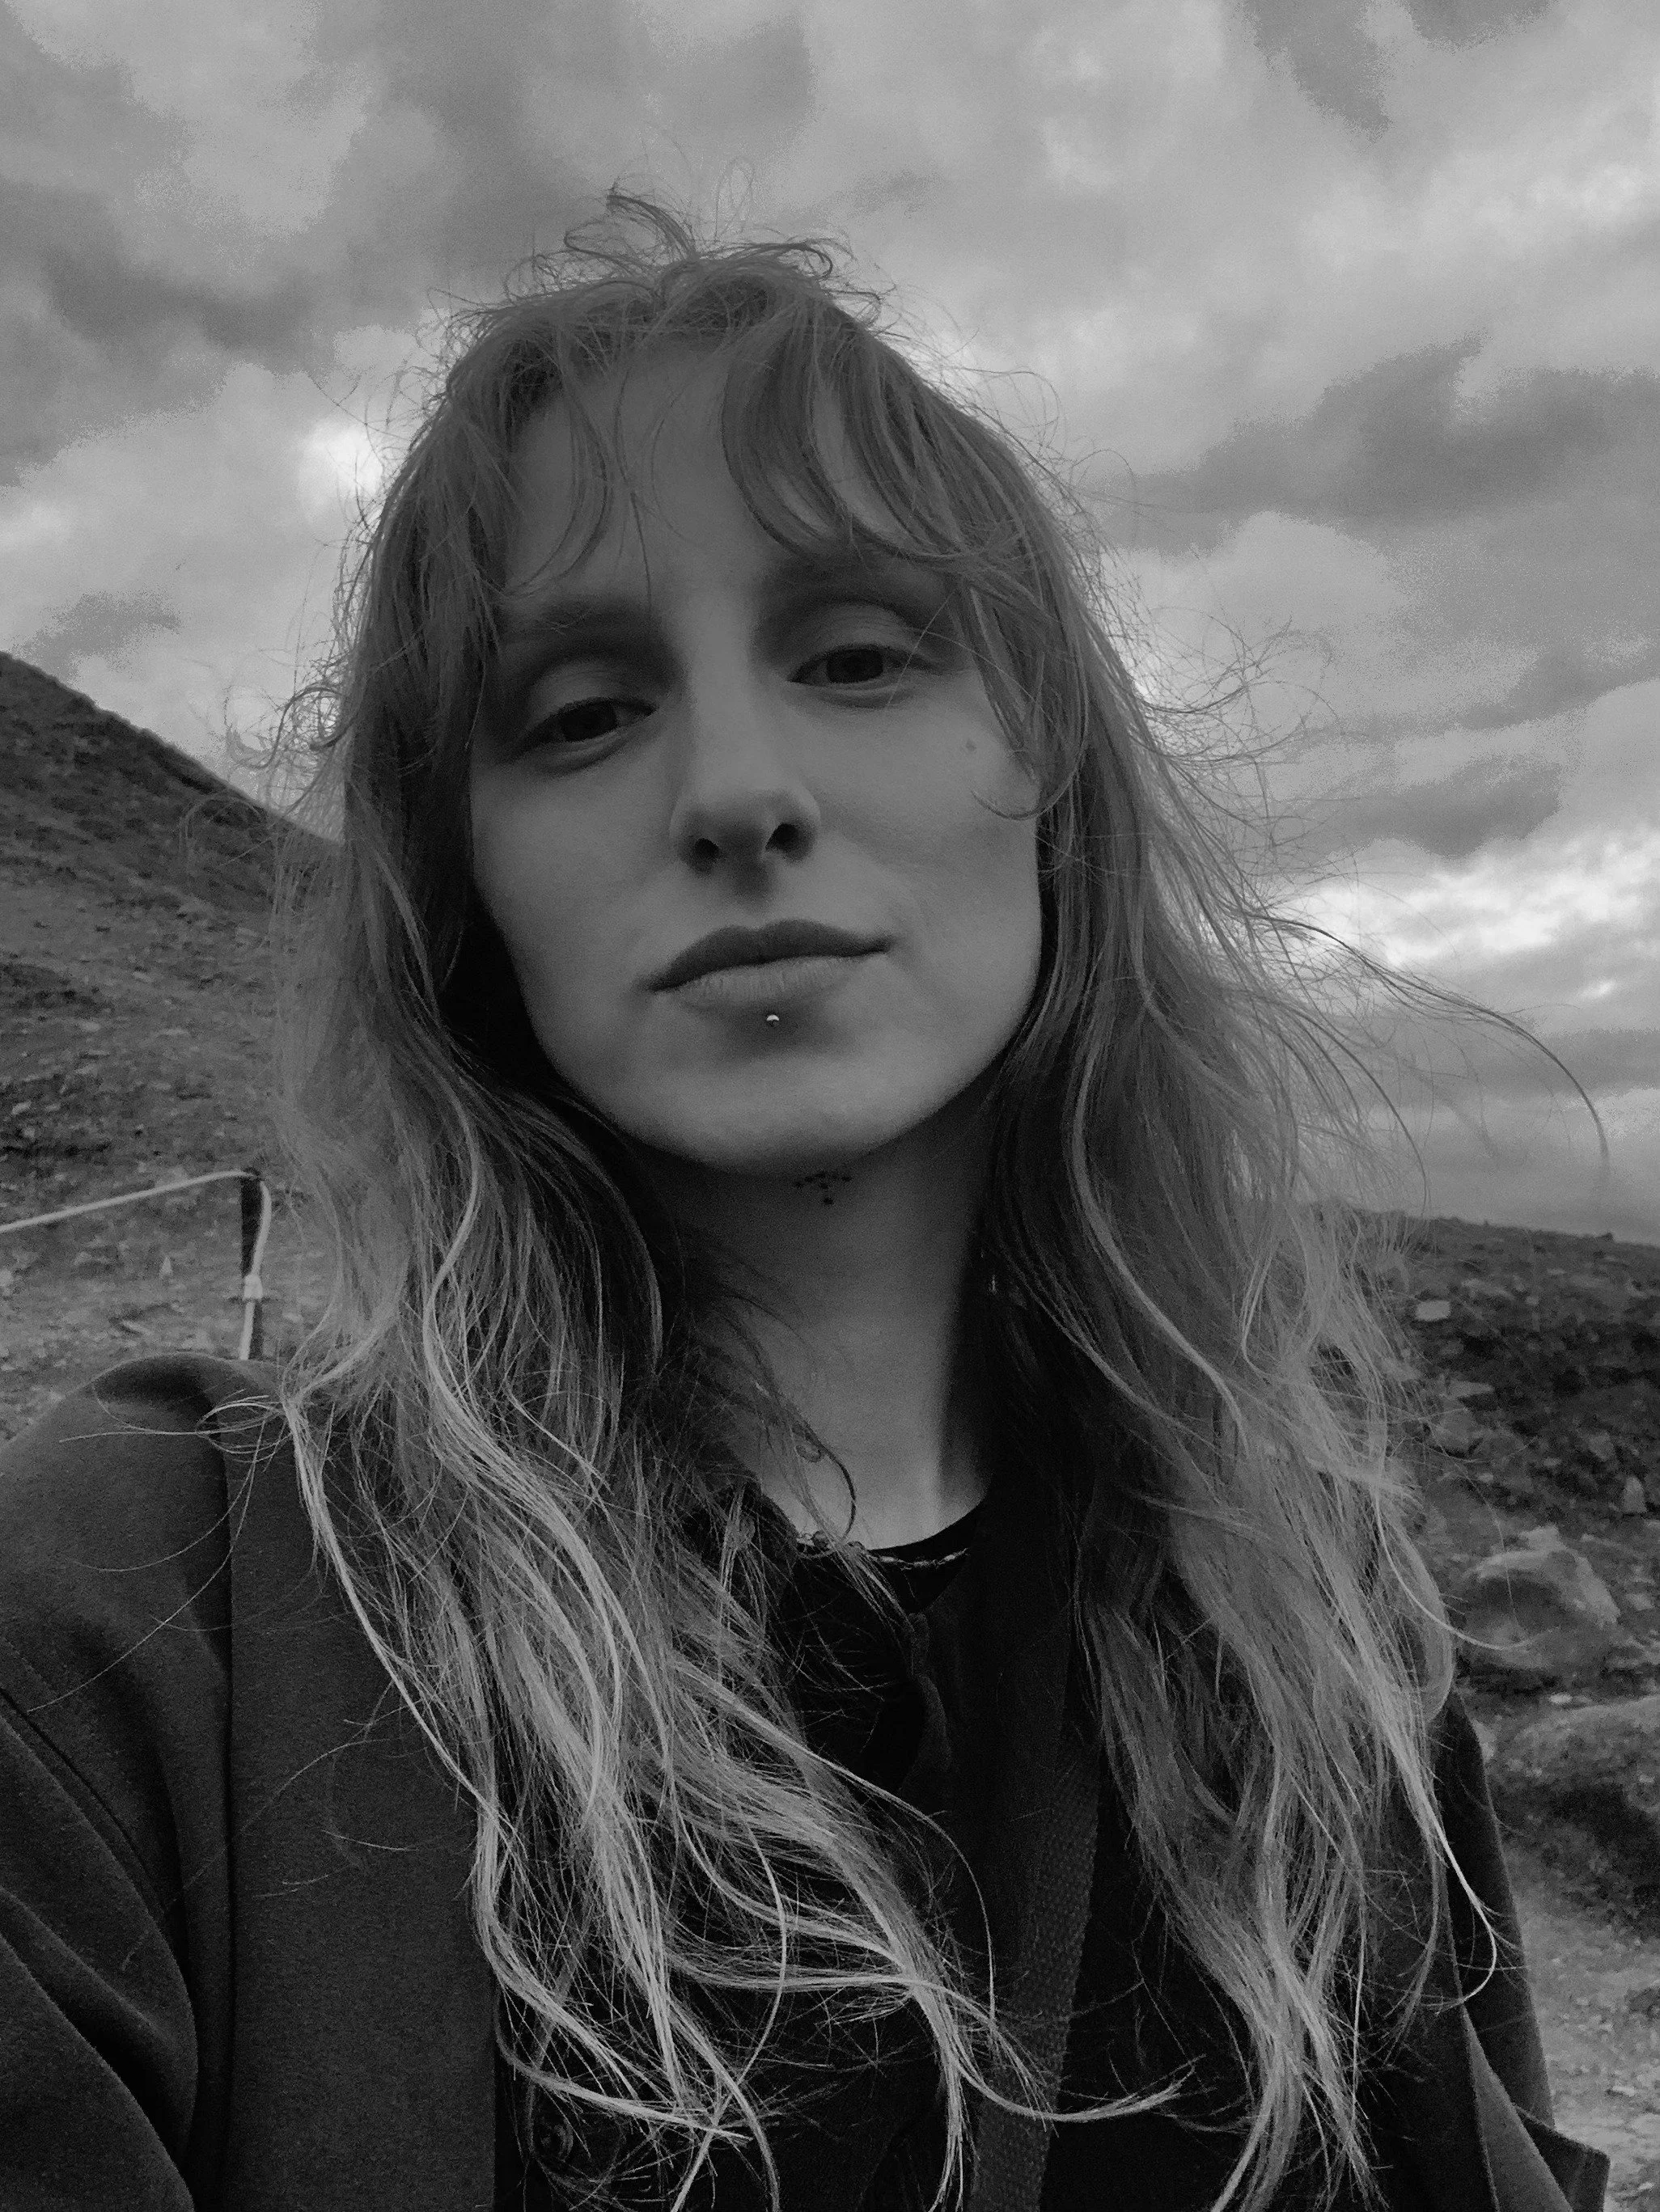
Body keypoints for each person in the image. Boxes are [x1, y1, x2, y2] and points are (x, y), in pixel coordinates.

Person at [0, 197, 1610, 2212]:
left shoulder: (1321, 1616)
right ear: (466, 882)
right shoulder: (135, 1625)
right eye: (580, 711)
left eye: (856, 652)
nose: (735, 789)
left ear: (1049, 772)